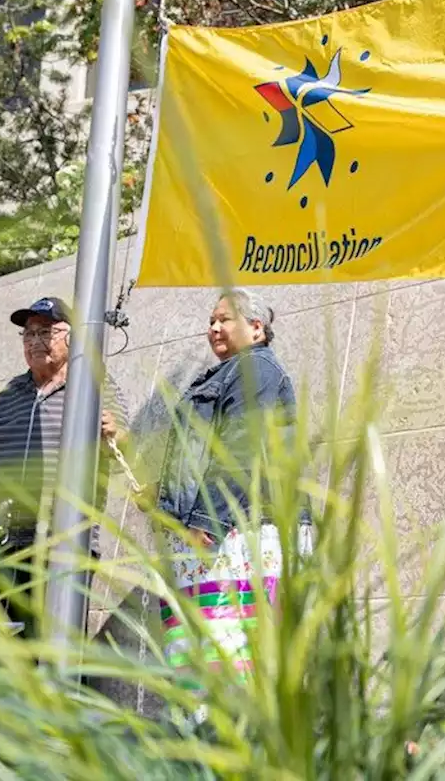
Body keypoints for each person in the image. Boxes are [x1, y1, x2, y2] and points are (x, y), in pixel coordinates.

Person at [155, 288, 311, 695]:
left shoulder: (255, 371)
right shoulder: (226, 375)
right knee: (199, 654)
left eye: (225, 319)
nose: (214, 327)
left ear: (257, 329)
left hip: (238, 529)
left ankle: (225, 748)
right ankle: (203, 746)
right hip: (216, 528)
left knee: (228, 656)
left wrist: (206, 520)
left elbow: (240, 447)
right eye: (211, 321)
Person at [0, 296, 129, 638]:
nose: (34, 342)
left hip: (64, 543)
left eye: (45, 332)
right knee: (9, 646)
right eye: (28, 334)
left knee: (54, 644)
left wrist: (115, 432)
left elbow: (127, 449)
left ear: (72, 337)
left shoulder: (93, 384)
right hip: (6, 544)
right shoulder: (11, 393)